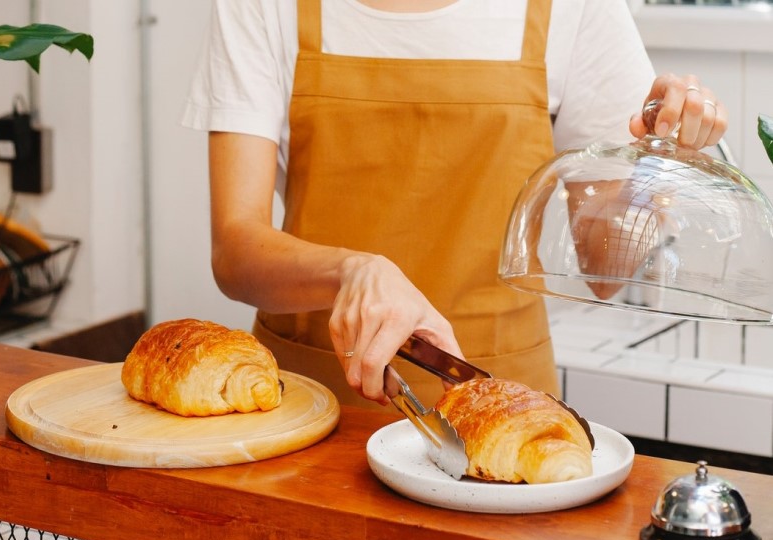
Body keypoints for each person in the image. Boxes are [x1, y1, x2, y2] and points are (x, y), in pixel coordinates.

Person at [181, 0, 727, 410]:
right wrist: (353, 271)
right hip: (313, 405)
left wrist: (654, 162)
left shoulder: (572, 8)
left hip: (499, 406)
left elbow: (606, 273)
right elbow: (235, 250)